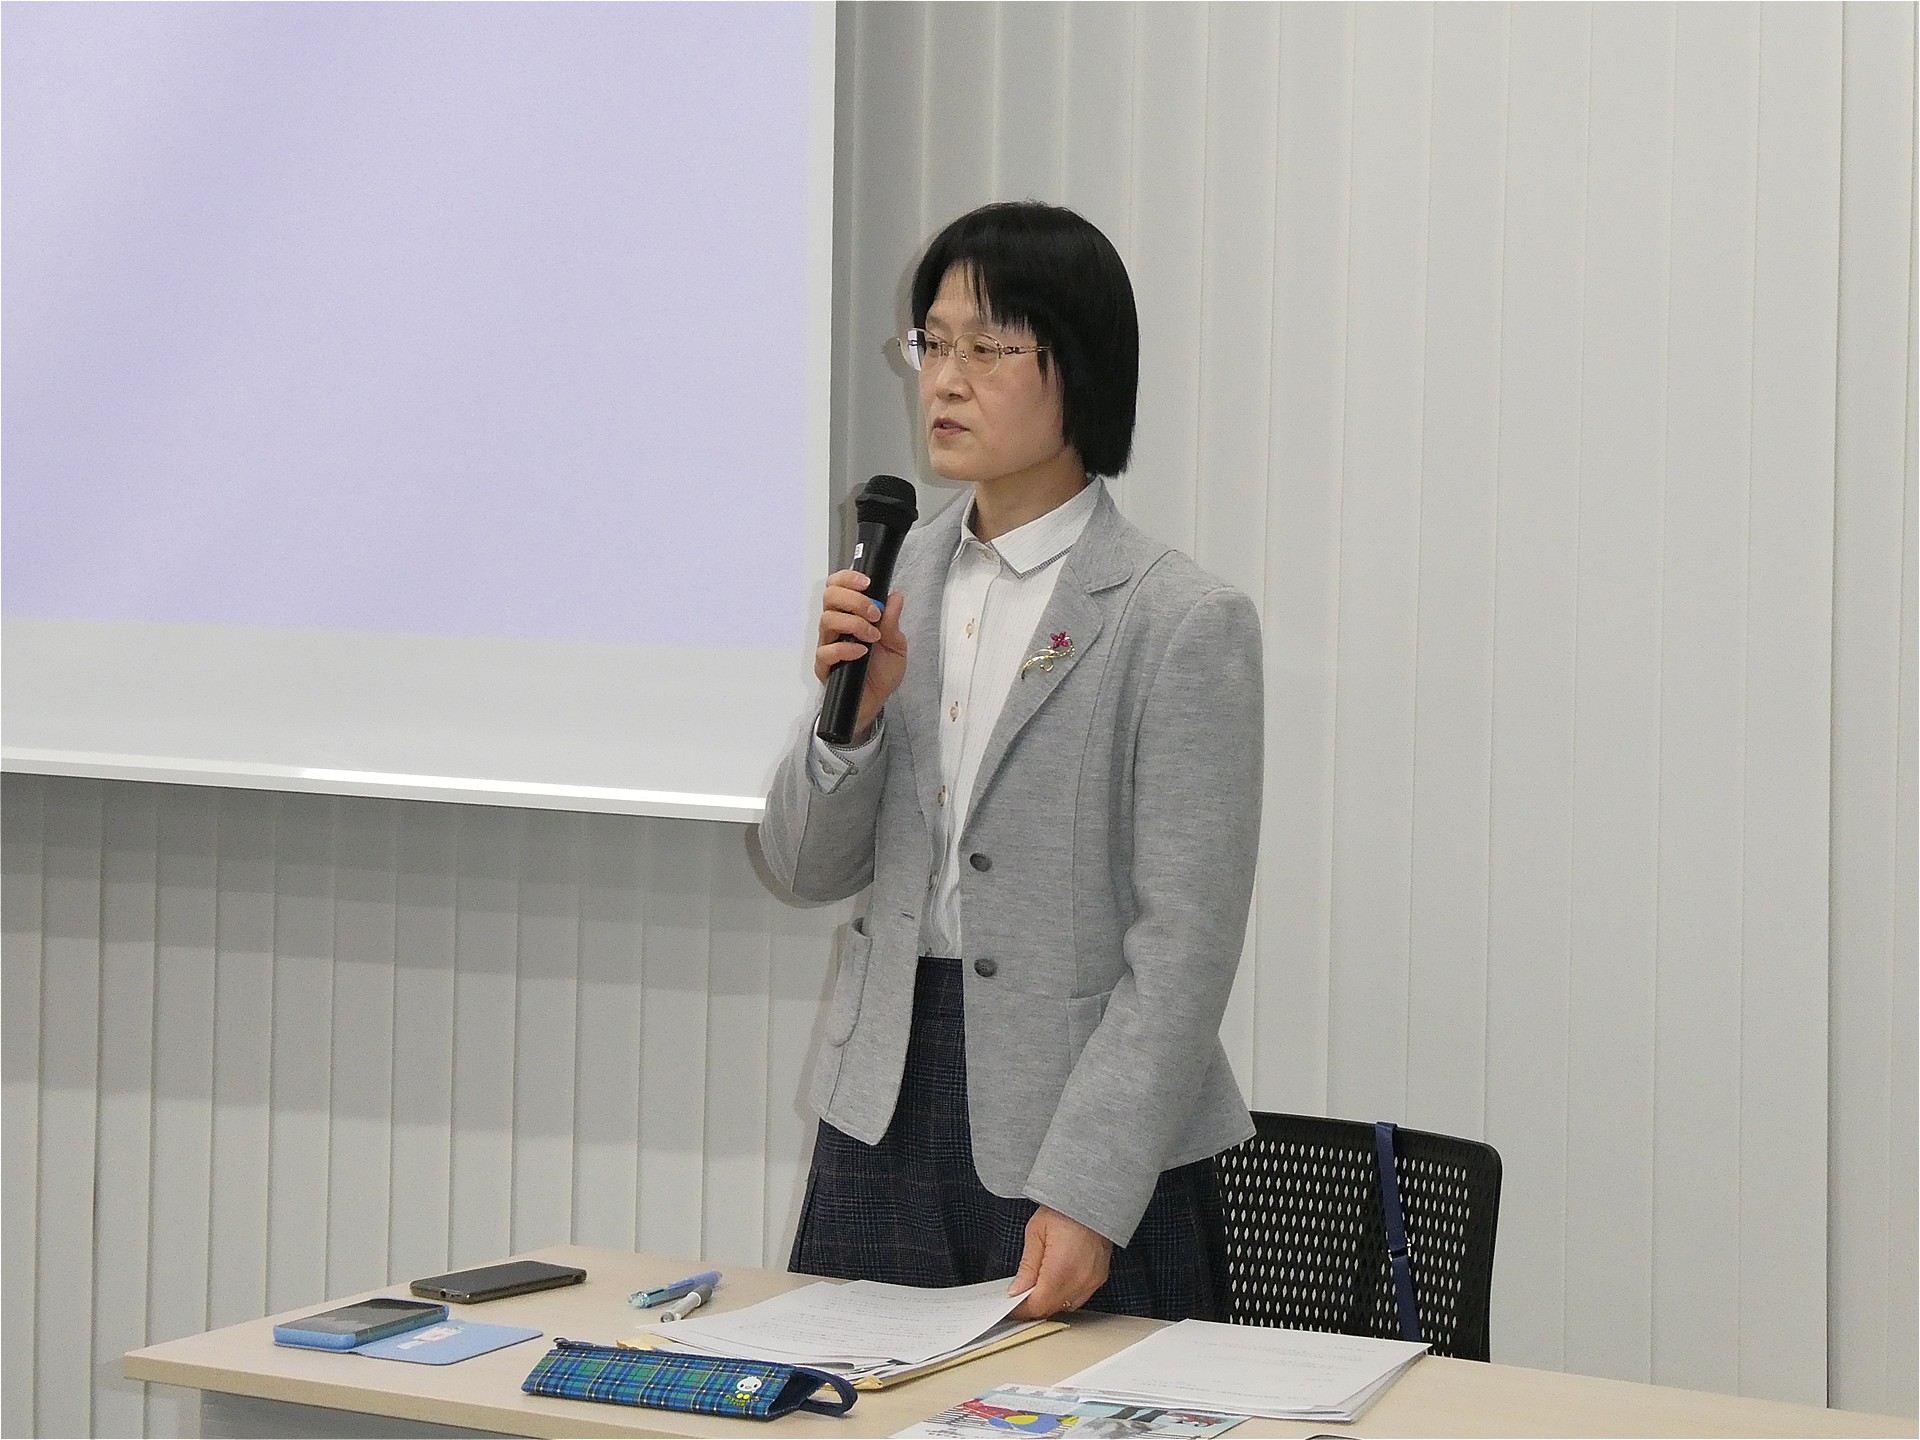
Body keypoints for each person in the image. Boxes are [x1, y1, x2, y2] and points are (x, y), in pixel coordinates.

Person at [758, 201, 1262, 1323]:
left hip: (1078, 1136)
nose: (944, 381)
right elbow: (802, 867)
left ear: (1078, 368)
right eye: (932, 344)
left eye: (987, 348)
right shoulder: (894, 581)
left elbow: (1185, 950)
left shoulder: (1180, 621)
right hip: (880, 1108)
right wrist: (848, 726)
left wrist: (1091, 1189)